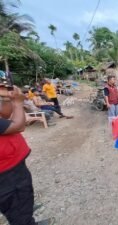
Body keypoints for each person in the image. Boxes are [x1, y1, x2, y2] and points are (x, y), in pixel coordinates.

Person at [0, 85, 55, 225]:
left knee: (23, 198)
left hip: (13, 166)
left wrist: (7, 99)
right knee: (17, 207)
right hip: (6, 174)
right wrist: (18, 102)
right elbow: (19, 126)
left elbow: (5, 115)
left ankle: (27, 214)